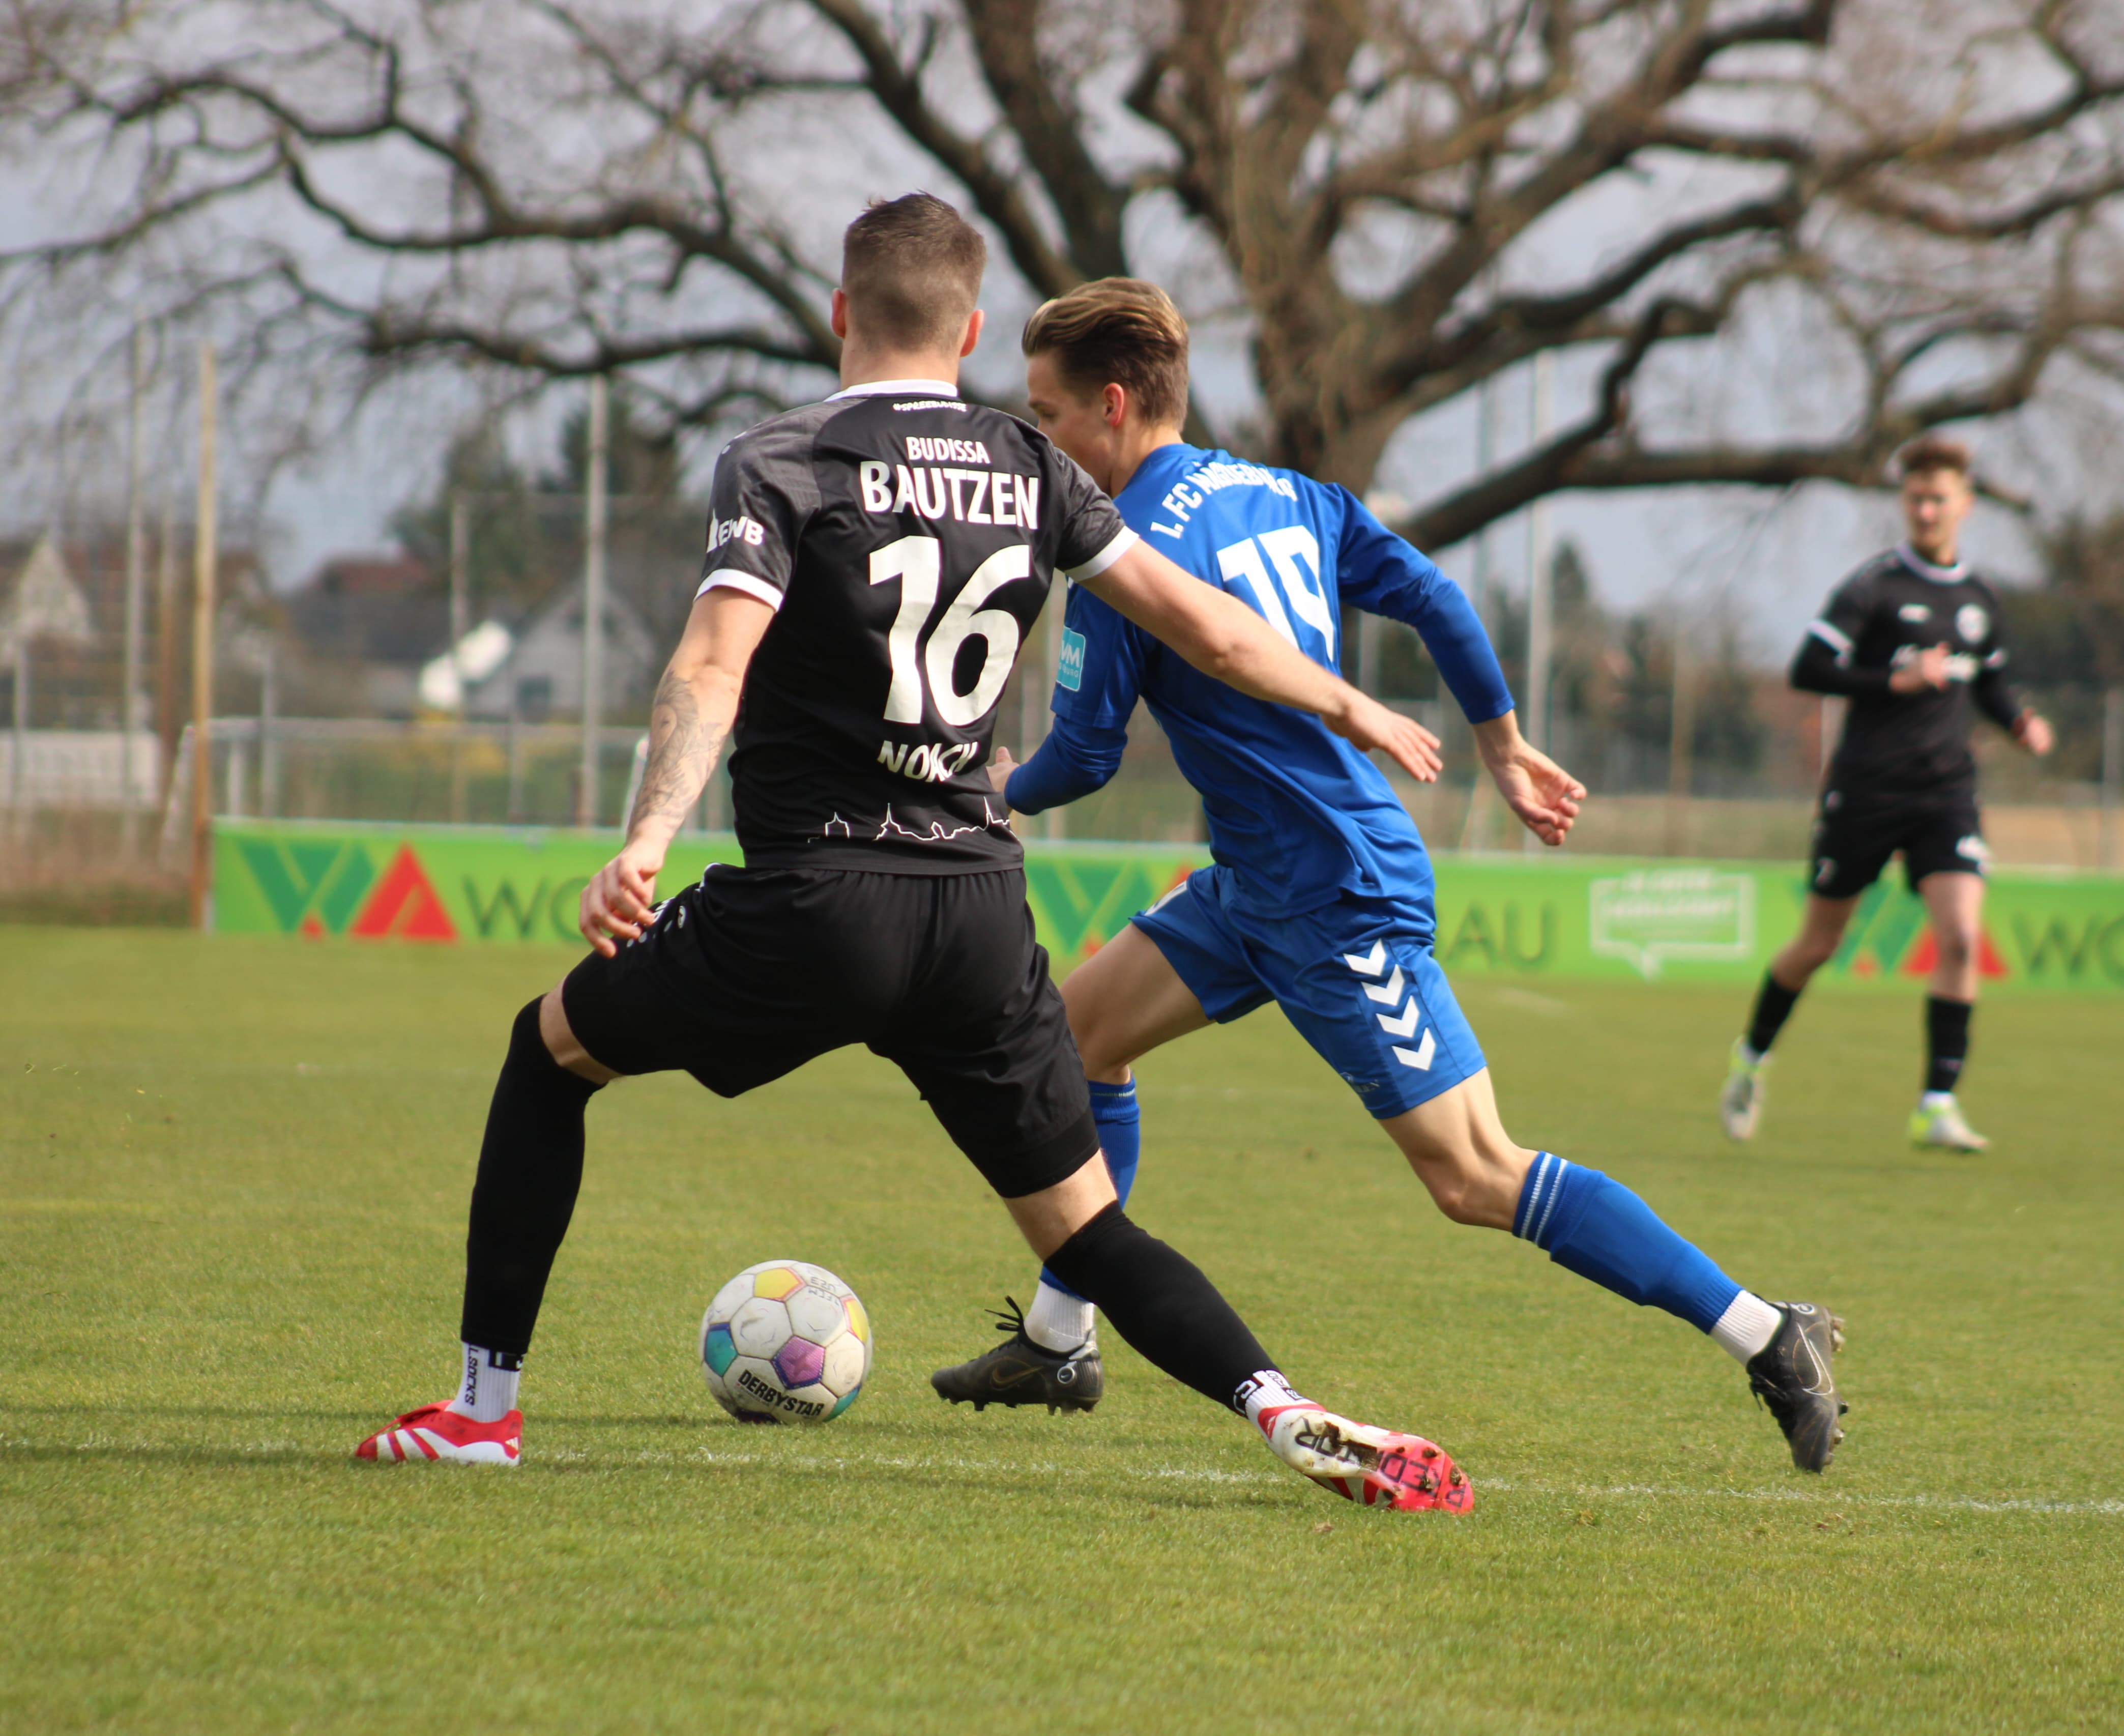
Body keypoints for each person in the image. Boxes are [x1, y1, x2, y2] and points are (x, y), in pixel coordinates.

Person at [354, 197, 1471, 1514]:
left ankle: (483, 1411)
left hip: (816, 901)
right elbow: (1211, 628)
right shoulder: (1034, 464)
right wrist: (1355, 705)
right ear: (976, 328)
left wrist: (646, 839)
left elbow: (714, 662)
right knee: (1087, 1228)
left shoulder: (787, 457)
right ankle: (1280, 1405)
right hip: (978, 916)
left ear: (841, 311)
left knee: (546, 1053)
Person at [926, 279, 1848, 1474]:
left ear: (1111, 408)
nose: (1039, 439)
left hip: (1332, 889)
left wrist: (983, 790)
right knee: (1079, 1040)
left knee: (1473, 1174)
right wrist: (1500, 741)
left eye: (1047, 416)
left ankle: (1771, 1335)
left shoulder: (1121, 546)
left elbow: (1086, 756)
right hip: (1257, 880)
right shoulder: (1284, 491)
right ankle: (1061, 1339)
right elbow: (1433, 593)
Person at [1720, 436, 2055, 1153]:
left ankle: (1937, 1102)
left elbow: (1987, 677)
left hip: (1947, 792)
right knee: (1817, 945)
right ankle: (1751, 1057)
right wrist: (1892, 681)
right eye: (1916, 499)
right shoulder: (1872, 587)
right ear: (1905, 504)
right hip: (1866, 790)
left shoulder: (1980, 597)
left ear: (1965, 503)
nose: (1928, 510)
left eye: (1940, 498)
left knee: (1963, 935)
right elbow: (1808, 667)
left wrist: (2020, 720)